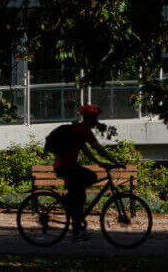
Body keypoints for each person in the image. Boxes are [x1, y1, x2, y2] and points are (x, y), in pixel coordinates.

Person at [45, 104, 122, 242]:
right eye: (95, 118)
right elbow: (98, 149)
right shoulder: (83, 130)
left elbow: (86, 151)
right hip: (66, 167)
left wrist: (100, 164)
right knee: (89, 179)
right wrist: (116, 162)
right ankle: (74, 222)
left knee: (79, 194)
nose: (96, 121)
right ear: (90, 118)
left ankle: (75, 223)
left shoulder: (78, 129)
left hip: (65, 166)